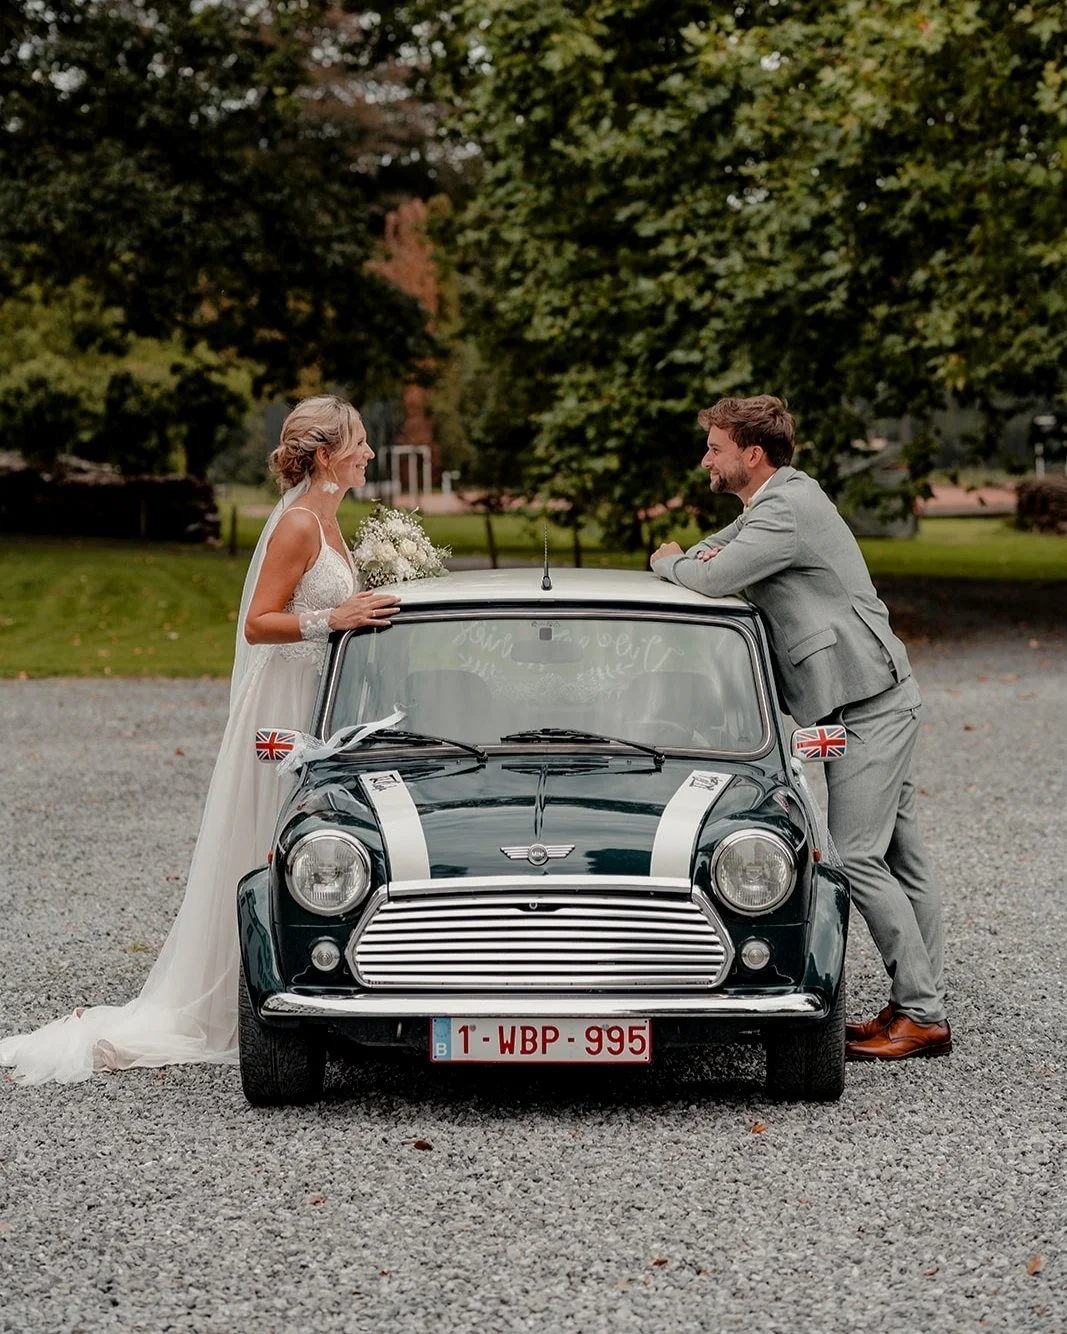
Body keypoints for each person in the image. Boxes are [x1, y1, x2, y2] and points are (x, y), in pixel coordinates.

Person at [0, 395, 399, 1084]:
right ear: (328, 454)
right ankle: (237, 993)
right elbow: (258, 622)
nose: (368, 453)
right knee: (267, 833)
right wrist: (332, 617)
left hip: (322, 697)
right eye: (360, 442)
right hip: (284, 702)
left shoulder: (333, 521)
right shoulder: (300, 524)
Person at [650, 395, 950, 1061]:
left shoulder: (784, 509)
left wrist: (665, 562)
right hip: (869, 697)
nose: (705, 460)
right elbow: (709, 552)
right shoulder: (772, 503)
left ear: (750, 455)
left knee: (856, 857)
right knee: (901, 854)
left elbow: (709, 573)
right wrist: (686, 558)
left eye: (715, 449)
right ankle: (918, 1002)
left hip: (867, 703)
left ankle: (923, 1014)